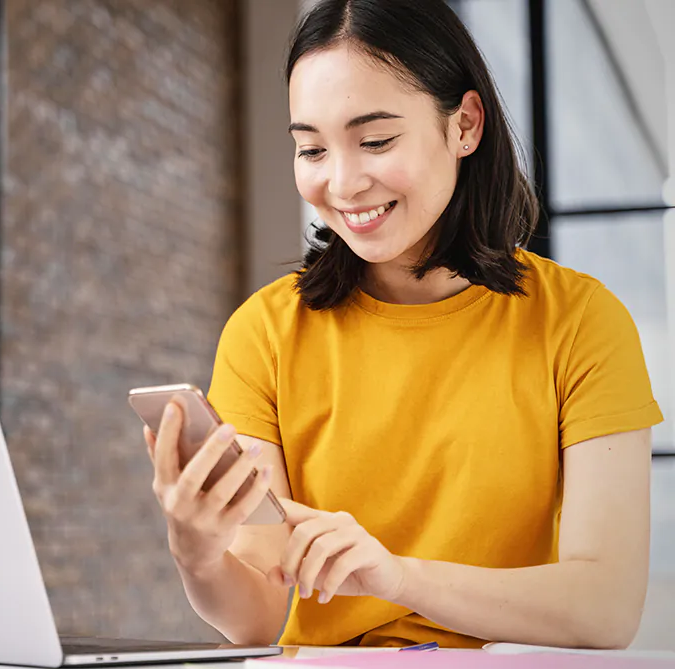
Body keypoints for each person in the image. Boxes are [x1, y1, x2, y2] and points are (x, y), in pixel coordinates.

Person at [142, 0, 662, 650]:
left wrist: (396, 575)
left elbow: (604, 607)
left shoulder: (580, 321)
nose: (342, 181)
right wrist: (199, 552)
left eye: (377, 140)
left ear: (465, 125)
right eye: (311, 148)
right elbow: (254, 618)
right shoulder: (265, 332)